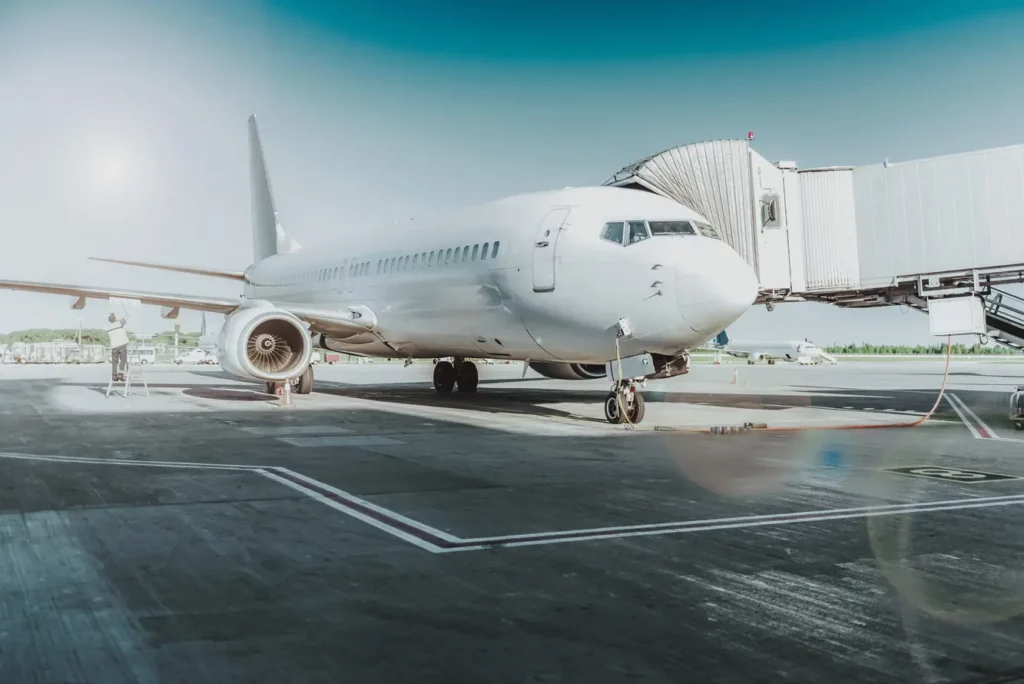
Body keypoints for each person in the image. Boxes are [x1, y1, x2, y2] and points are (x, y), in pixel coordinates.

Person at [107, 312, 129, 381]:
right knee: (123, 360)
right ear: (115, 319)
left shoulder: (108, 326)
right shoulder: (118, 323)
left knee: (114, 362)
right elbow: (125, 318)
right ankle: (121, 374)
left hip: (114, 346)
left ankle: (114, 375)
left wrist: (114, 318)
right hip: (122, 344)